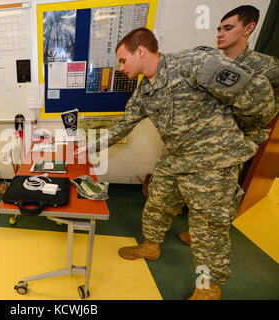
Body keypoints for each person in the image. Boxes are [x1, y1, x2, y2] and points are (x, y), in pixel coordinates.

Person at [77, 27, 275, 300]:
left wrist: (252, 133)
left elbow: (258, 95)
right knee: (157, 202)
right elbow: (122, 127)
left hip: (211, 161)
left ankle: (208, 287)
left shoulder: (196, 64)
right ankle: (150, 246)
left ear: (142, 51)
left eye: (123, 60)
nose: (120, 67)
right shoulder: (145, 91)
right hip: (175, 157)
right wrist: (86, 148)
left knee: (207, 228)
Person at [179, 5, 279, 246]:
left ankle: (209, 277)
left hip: (228, 150)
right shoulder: (210, 63)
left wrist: (244, 140)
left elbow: (268, 111)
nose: (220, 33)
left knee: (216, 206)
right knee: (192, 195)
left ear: (249, 28)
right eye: (219, 29)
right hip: (197, 143)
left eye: (228, 28)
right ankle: (194, 234)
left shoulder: (265, 67)